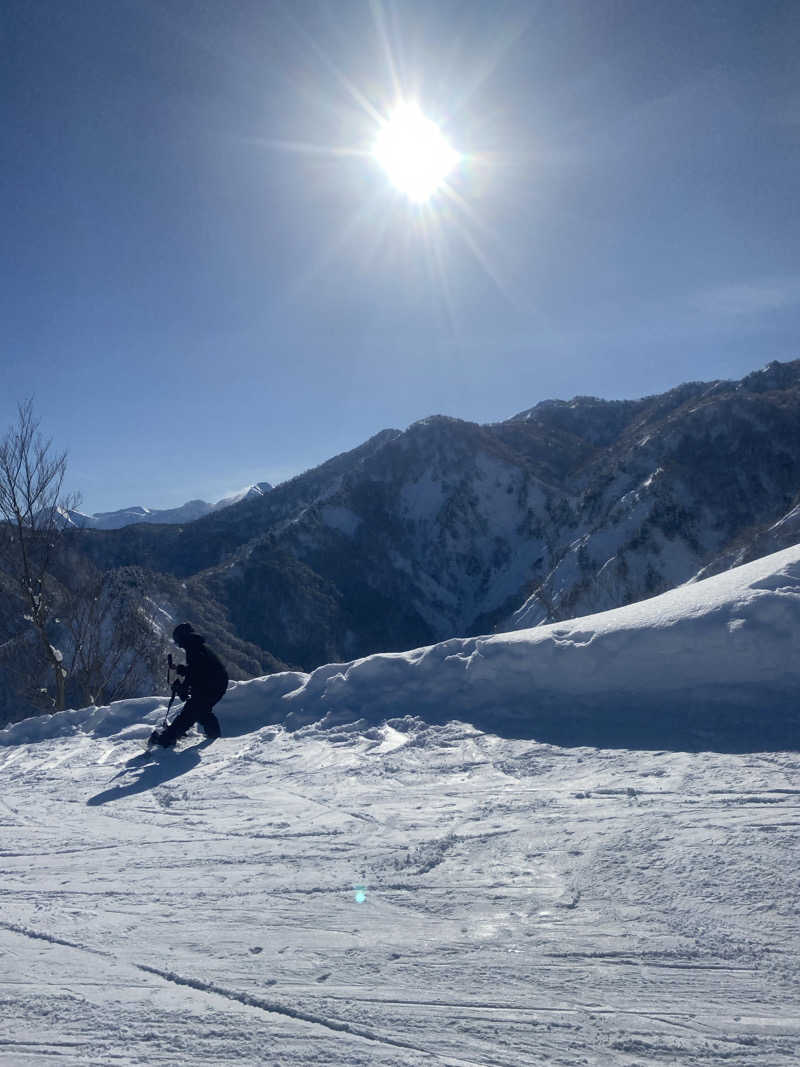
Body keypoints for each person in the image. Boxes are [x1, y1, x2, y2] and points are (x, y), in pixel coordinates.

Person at [149, 622, 228, 747]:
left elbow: (195, 673)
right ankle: (214, 738)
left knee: (190, 712)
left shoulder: (193, 649)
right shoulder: (196, 646)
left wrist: (182, 688)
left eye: (178, 641)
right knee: (201, 709)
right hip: (217, 683)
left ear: (182, 638)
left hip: (211, 685)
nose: (179, 645)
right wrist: (183, 670)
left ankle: (166, 740)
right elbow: (199, 668)